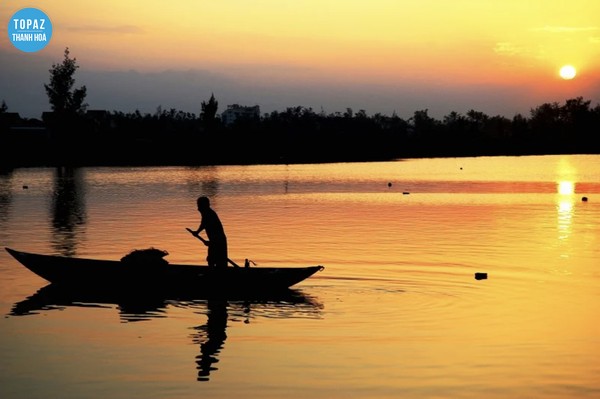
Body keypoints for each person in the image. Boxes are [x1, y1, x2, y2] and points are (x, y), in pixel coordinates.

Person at [191, 196, 228, 268]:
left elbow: (205, 224)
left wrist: (212, 242)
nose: (198, 208)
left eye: (199, 205)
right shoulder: (206, 213)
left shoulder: (209, 213)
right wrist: (197, 232)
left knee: (218, 261)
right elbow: (204, 224)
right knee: (212, 259)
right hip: (215, 241)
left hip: (219, 241)